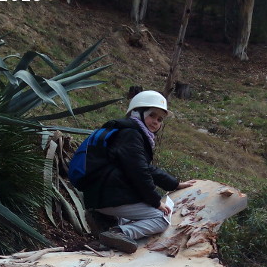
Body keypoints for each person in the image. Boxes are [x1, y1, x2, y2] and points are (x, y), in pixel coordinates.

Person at [82, 90, 197, 253]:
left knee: (141, 214)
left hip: (101, 195)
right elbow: (139, 172)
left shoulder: (126, 132)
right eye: (152, 115)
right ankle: (119, 233)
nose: (156, 122)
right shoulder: (131, 134)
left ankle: (106, 222)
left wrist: (174, 183)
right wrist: (156, 201)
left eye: (160, 119)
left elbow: (144, 167)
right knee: (161, 219)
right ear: (137, 112)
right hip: (108, 196)